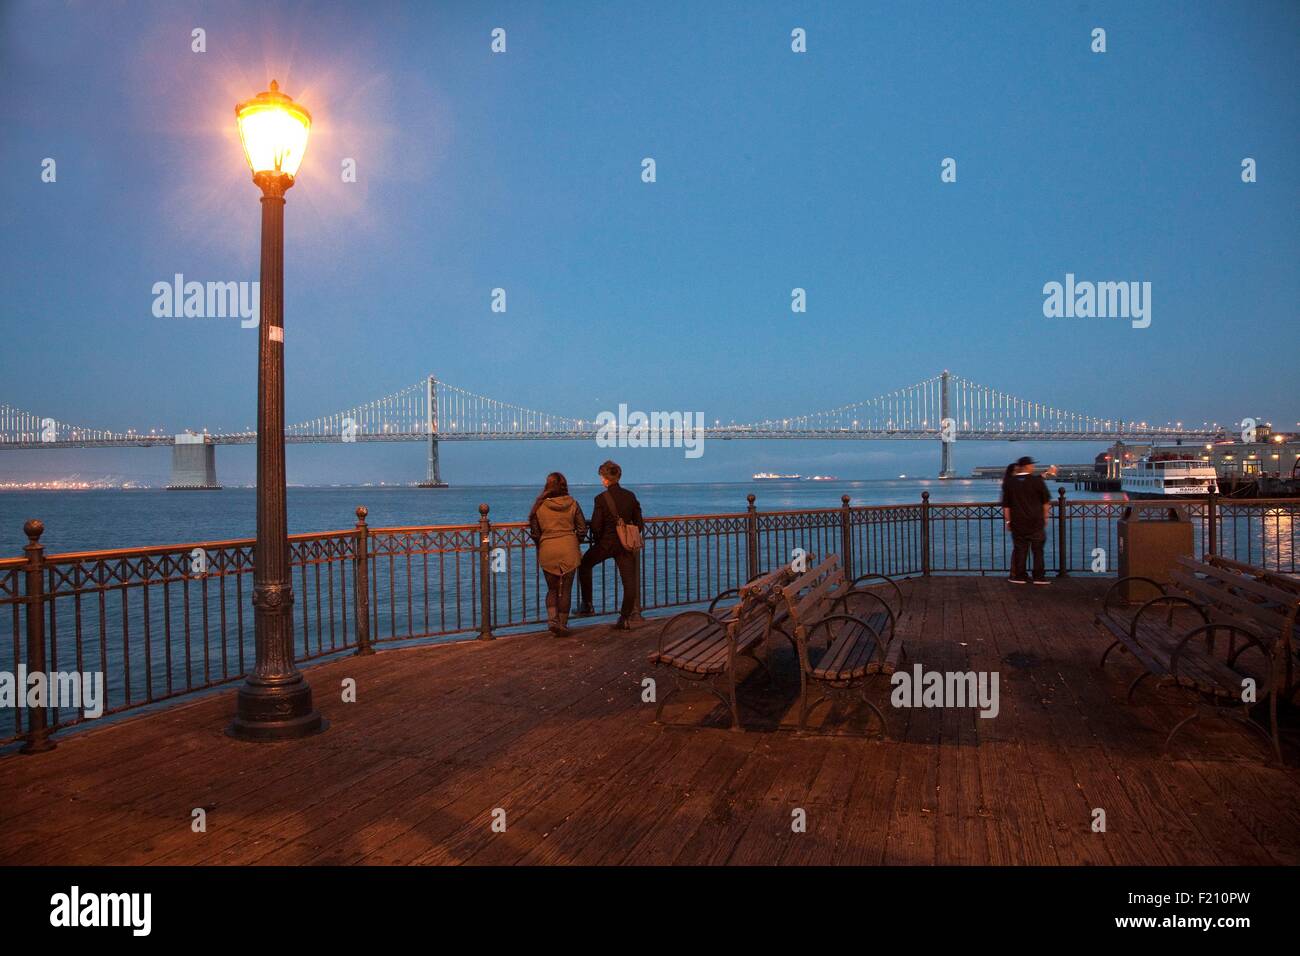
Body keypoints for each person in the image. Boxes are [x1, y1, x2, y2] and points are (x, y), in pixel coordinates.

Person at [576, 459, 645, 629]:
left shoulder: (601, 498)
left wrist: (599, 539)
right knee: (629, 584)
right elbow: (639, 524)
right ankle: (624, 618)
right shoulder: (630, 496)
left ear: (605, 479)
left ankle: (587, 605)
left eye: (601, 477)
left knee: (584, 564)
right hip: (625, 545)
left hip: (606, 544)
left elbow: (597, 526)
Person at [528, 472, 586, 636]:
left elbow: (535, 532)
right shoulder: (573, 503)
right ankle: (563, 624)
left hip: (548, 548)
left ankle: (552, 620)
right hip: (569, 548)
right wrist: (575, 541)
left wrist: (544, 542)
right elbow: (582, 528)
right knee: (566, 589)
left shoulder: (539, 506)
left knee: (552, 589)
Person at [1001, 456, 1052, 585]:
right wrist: (1045, 518)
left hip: (1017, 522)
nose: (1033, 467)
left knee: (1020, 550)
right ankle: (1039, 577)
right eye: (1032, 465)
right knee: (1038, 551)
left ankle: (1019, 576)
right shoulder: (1037, 481)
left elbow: (1006, 506)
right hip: (1036, 521)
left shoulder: (1009, 483)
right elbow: (1046, 503)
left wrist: (1008, 521)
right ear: (1027, 466)